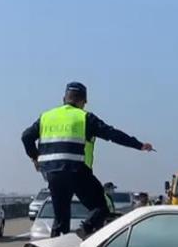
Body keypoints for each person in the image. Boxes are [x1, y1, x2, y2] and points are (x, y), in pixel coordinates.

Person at [21, 82, 154, 238]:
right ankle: (83, 233)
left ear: (64, 99)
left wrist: (35, 158)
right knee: (100, 207)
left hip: (53, 173)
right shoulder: (84, 117)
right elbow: (112, 134)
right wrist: (139, 145)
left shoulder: (46, 117)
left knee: (60, 218)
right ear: (83, 101)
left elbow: (26, 136)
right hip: (76, 170)